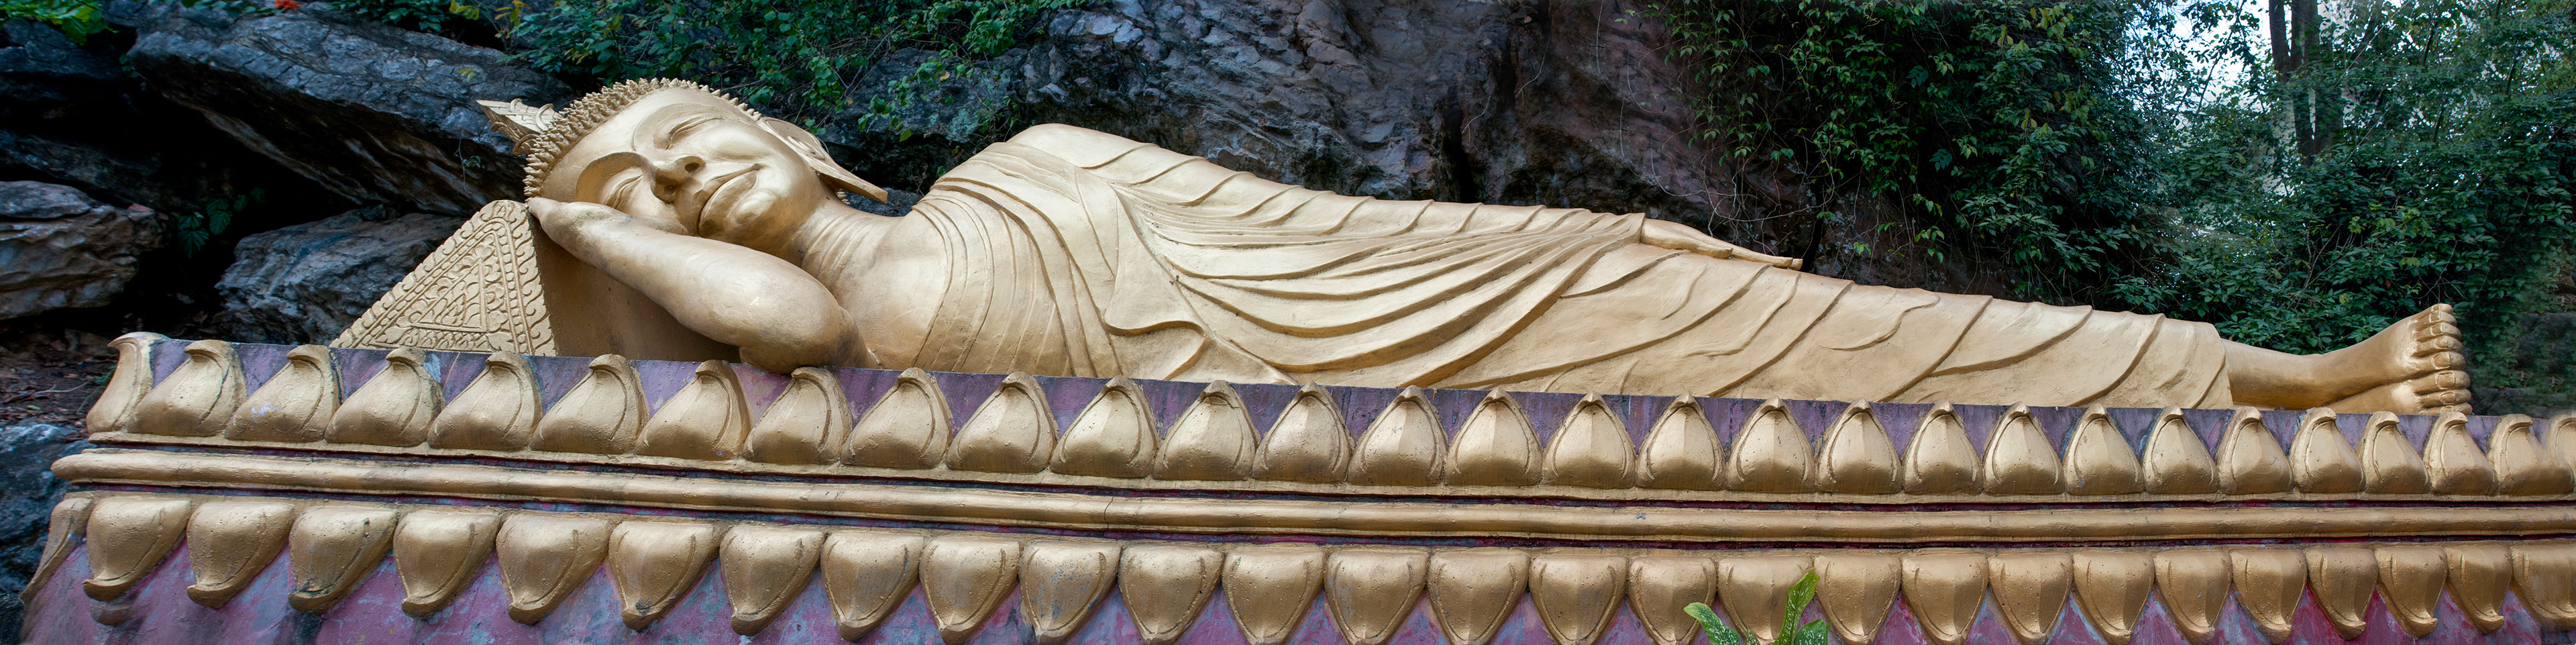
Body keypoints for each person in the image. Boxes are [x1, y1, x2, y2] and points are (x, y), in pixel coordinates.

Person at [508, 79, 2467, 413]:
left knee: (1869, 341)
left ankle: (2277, 380)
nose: (684, 182)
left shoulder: (1033, 165)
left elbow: (1332, 227)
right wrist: (576, 212)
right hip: (1319, 437)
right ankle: (2286, 393)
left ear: (788, 133)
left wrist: (1562, 228)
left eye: (692, 141)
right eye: (643, 190)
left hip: (1455, 316)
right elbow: (787, 330)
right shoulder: (764, 340)